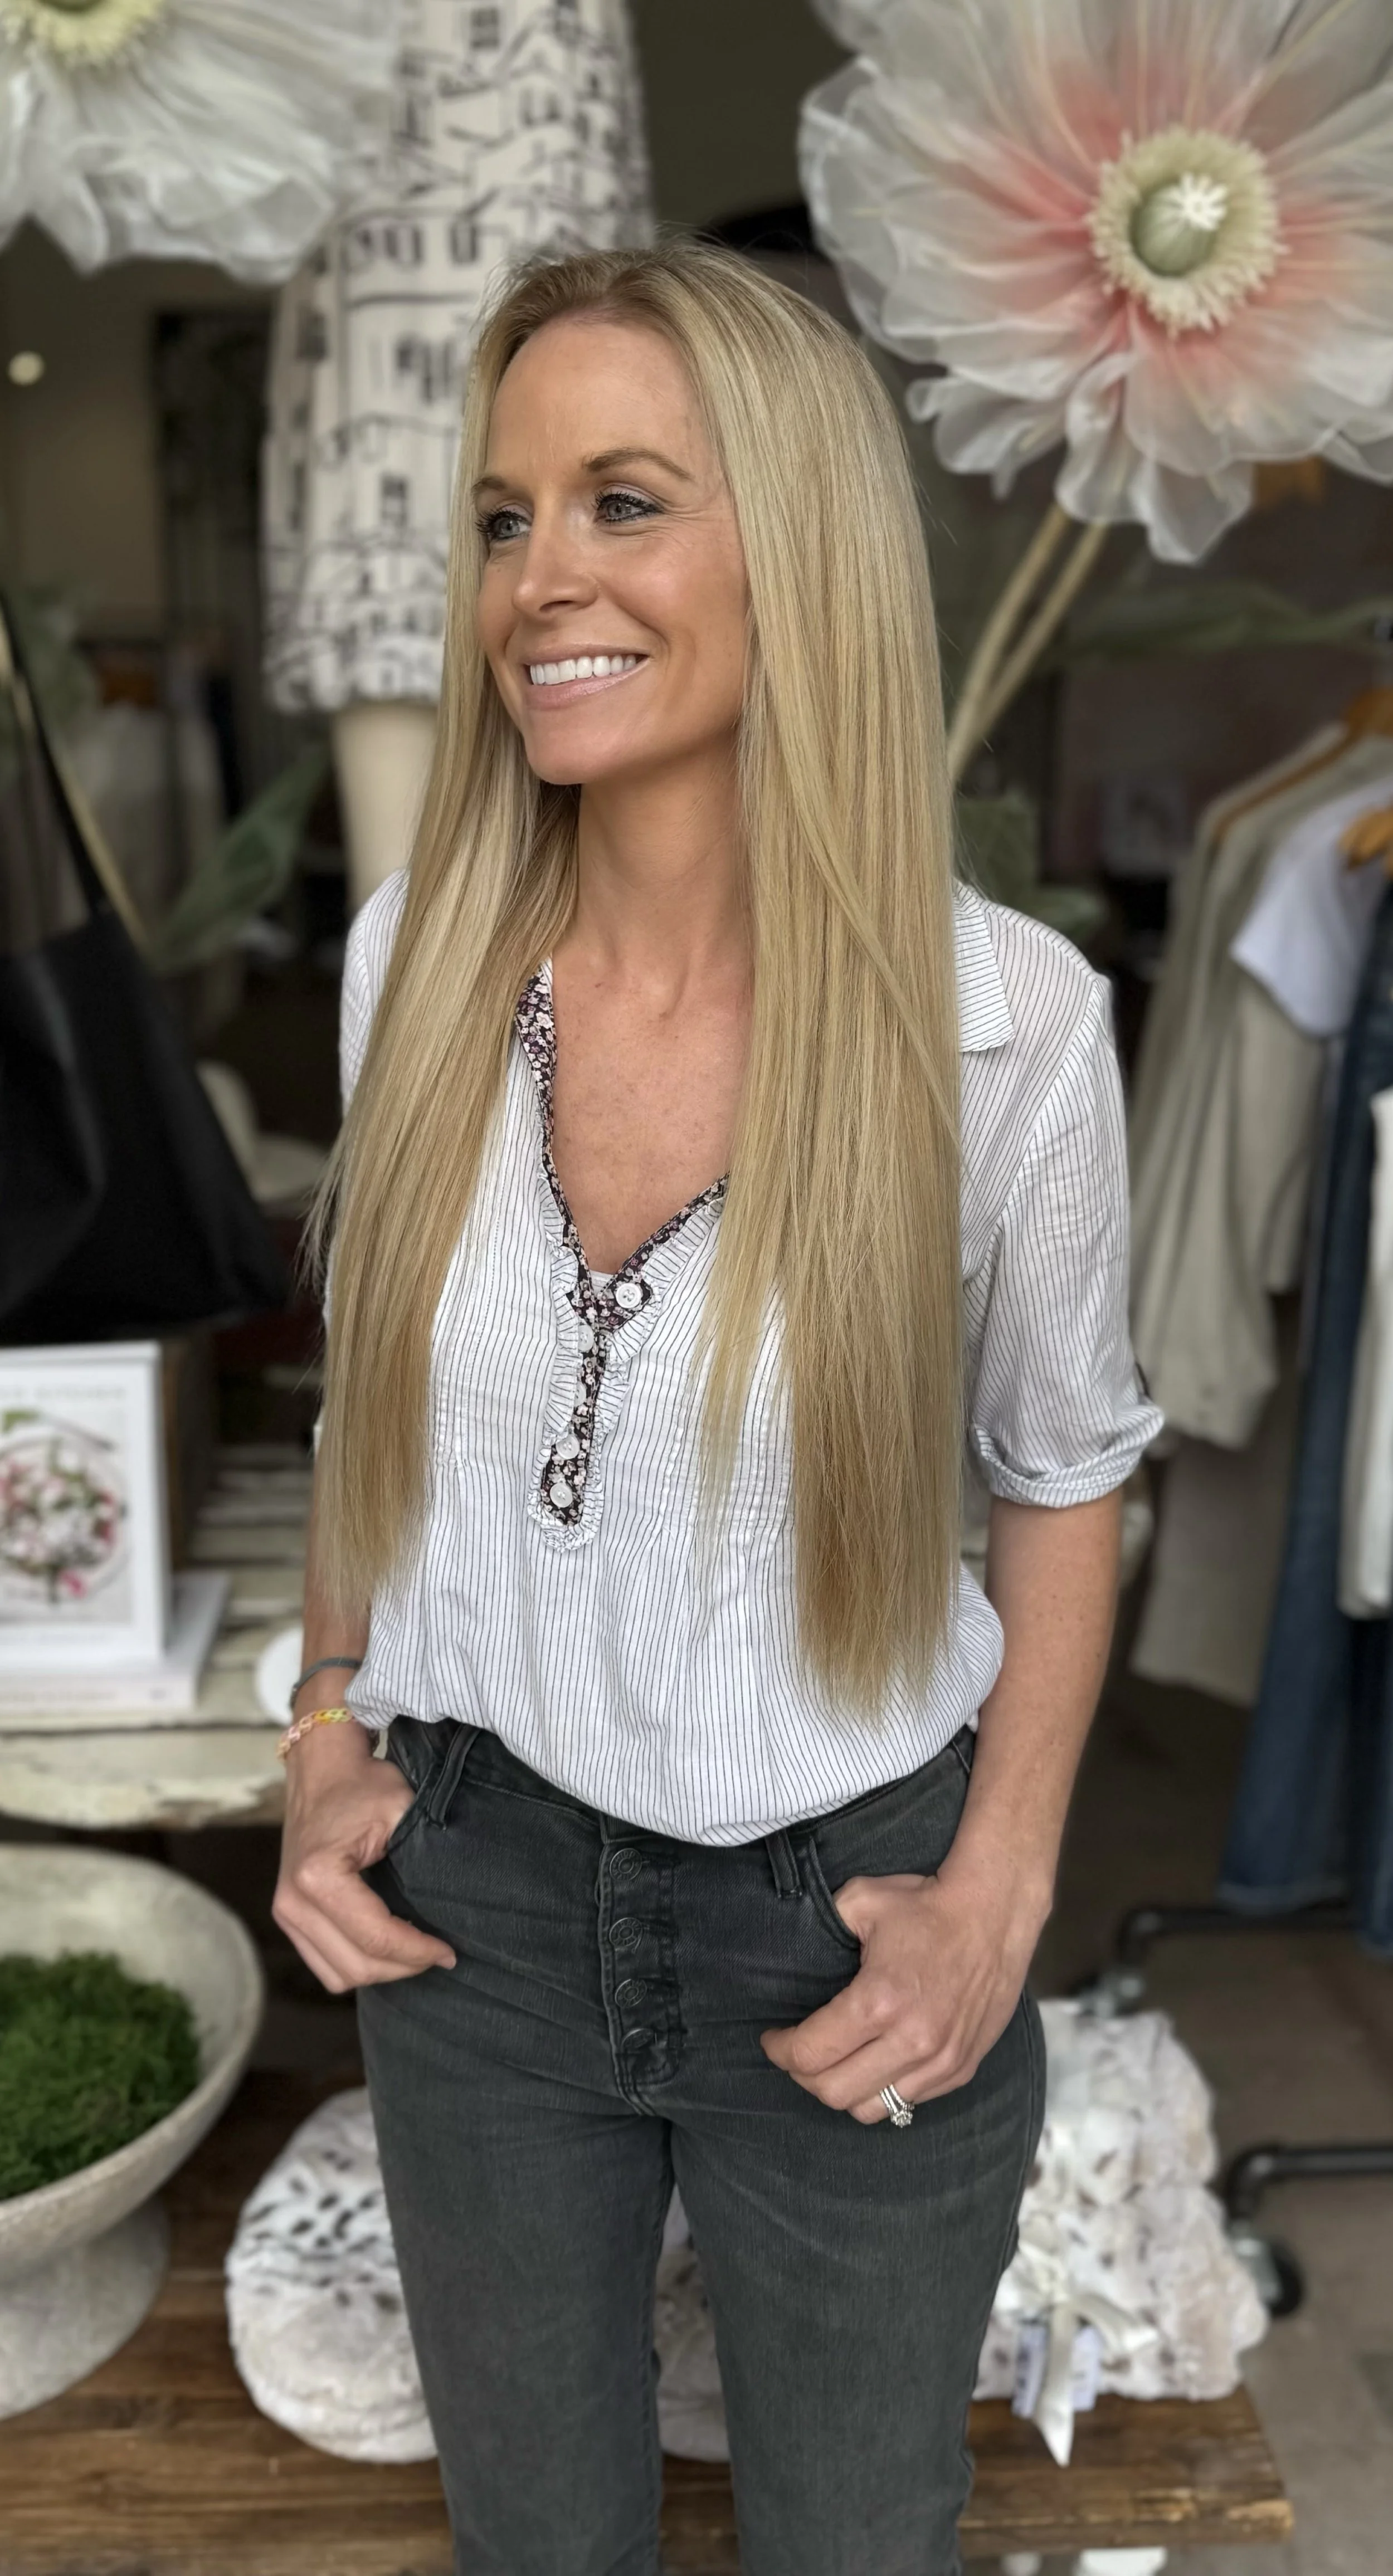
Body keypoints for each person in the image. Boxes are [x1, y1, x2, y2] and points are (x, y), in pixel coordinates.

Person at [273, 241, 1160, 2576]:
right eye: (500, 516)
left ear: (799, 541)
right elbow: (382, 1387)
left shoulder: (1005, 1031)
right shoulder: (413, 960)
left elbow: (1064, 1480)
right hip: (470, 1917)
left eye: (622, 500)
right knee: (532, 2539)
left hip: (838, 1916)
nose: (538, 578)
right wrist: (326, 1713)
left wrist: (1000, 1886)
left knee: (856, 2539)